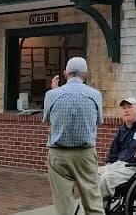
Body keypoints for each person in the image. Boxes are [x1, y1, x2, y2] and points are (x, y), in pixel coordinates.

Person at [43, 57, 104, 215]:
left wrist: (54, 90)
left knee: (64, 207)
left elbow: (47, 120)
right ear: (85, 75)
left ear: (65, 74)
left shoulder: (51, 95)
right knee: (93, 203)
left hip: (58, 155)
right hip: (85, 154)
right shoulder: (95, 94)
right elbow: (99, 122)